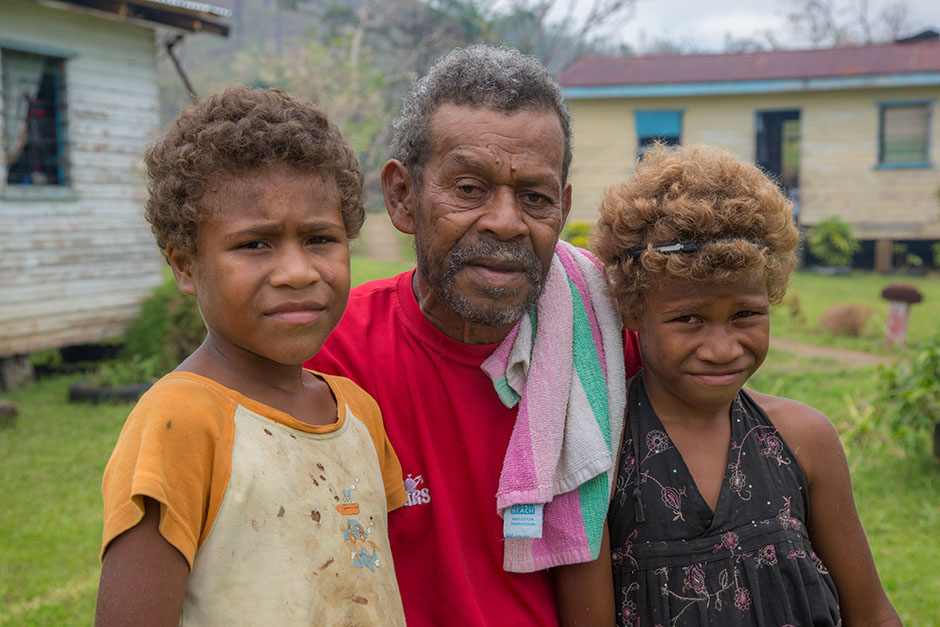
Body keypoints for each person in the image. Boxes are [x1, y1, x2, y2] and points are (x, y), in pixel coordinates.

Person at [306, 44, 642, 626]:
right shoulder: (333, 357)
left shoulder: (611, 343)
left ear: (561, 210)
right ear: (402, 197)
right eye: (468, 189)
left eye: (534, 197)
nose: (506, 221)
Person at [95, 85, 406, 626]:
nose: (297, 272)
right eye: (254, 244)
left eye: (319, 239)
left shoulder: (358, 414)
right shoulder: (180, 424)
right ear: (186, 266)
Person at [574, 143, 901, 626]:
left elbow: (872, 614)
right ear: (633, 310)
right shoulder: (599, 455)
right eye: (689, 318)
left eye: (745, 314)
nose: (722, 348)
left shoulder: (805, 440)